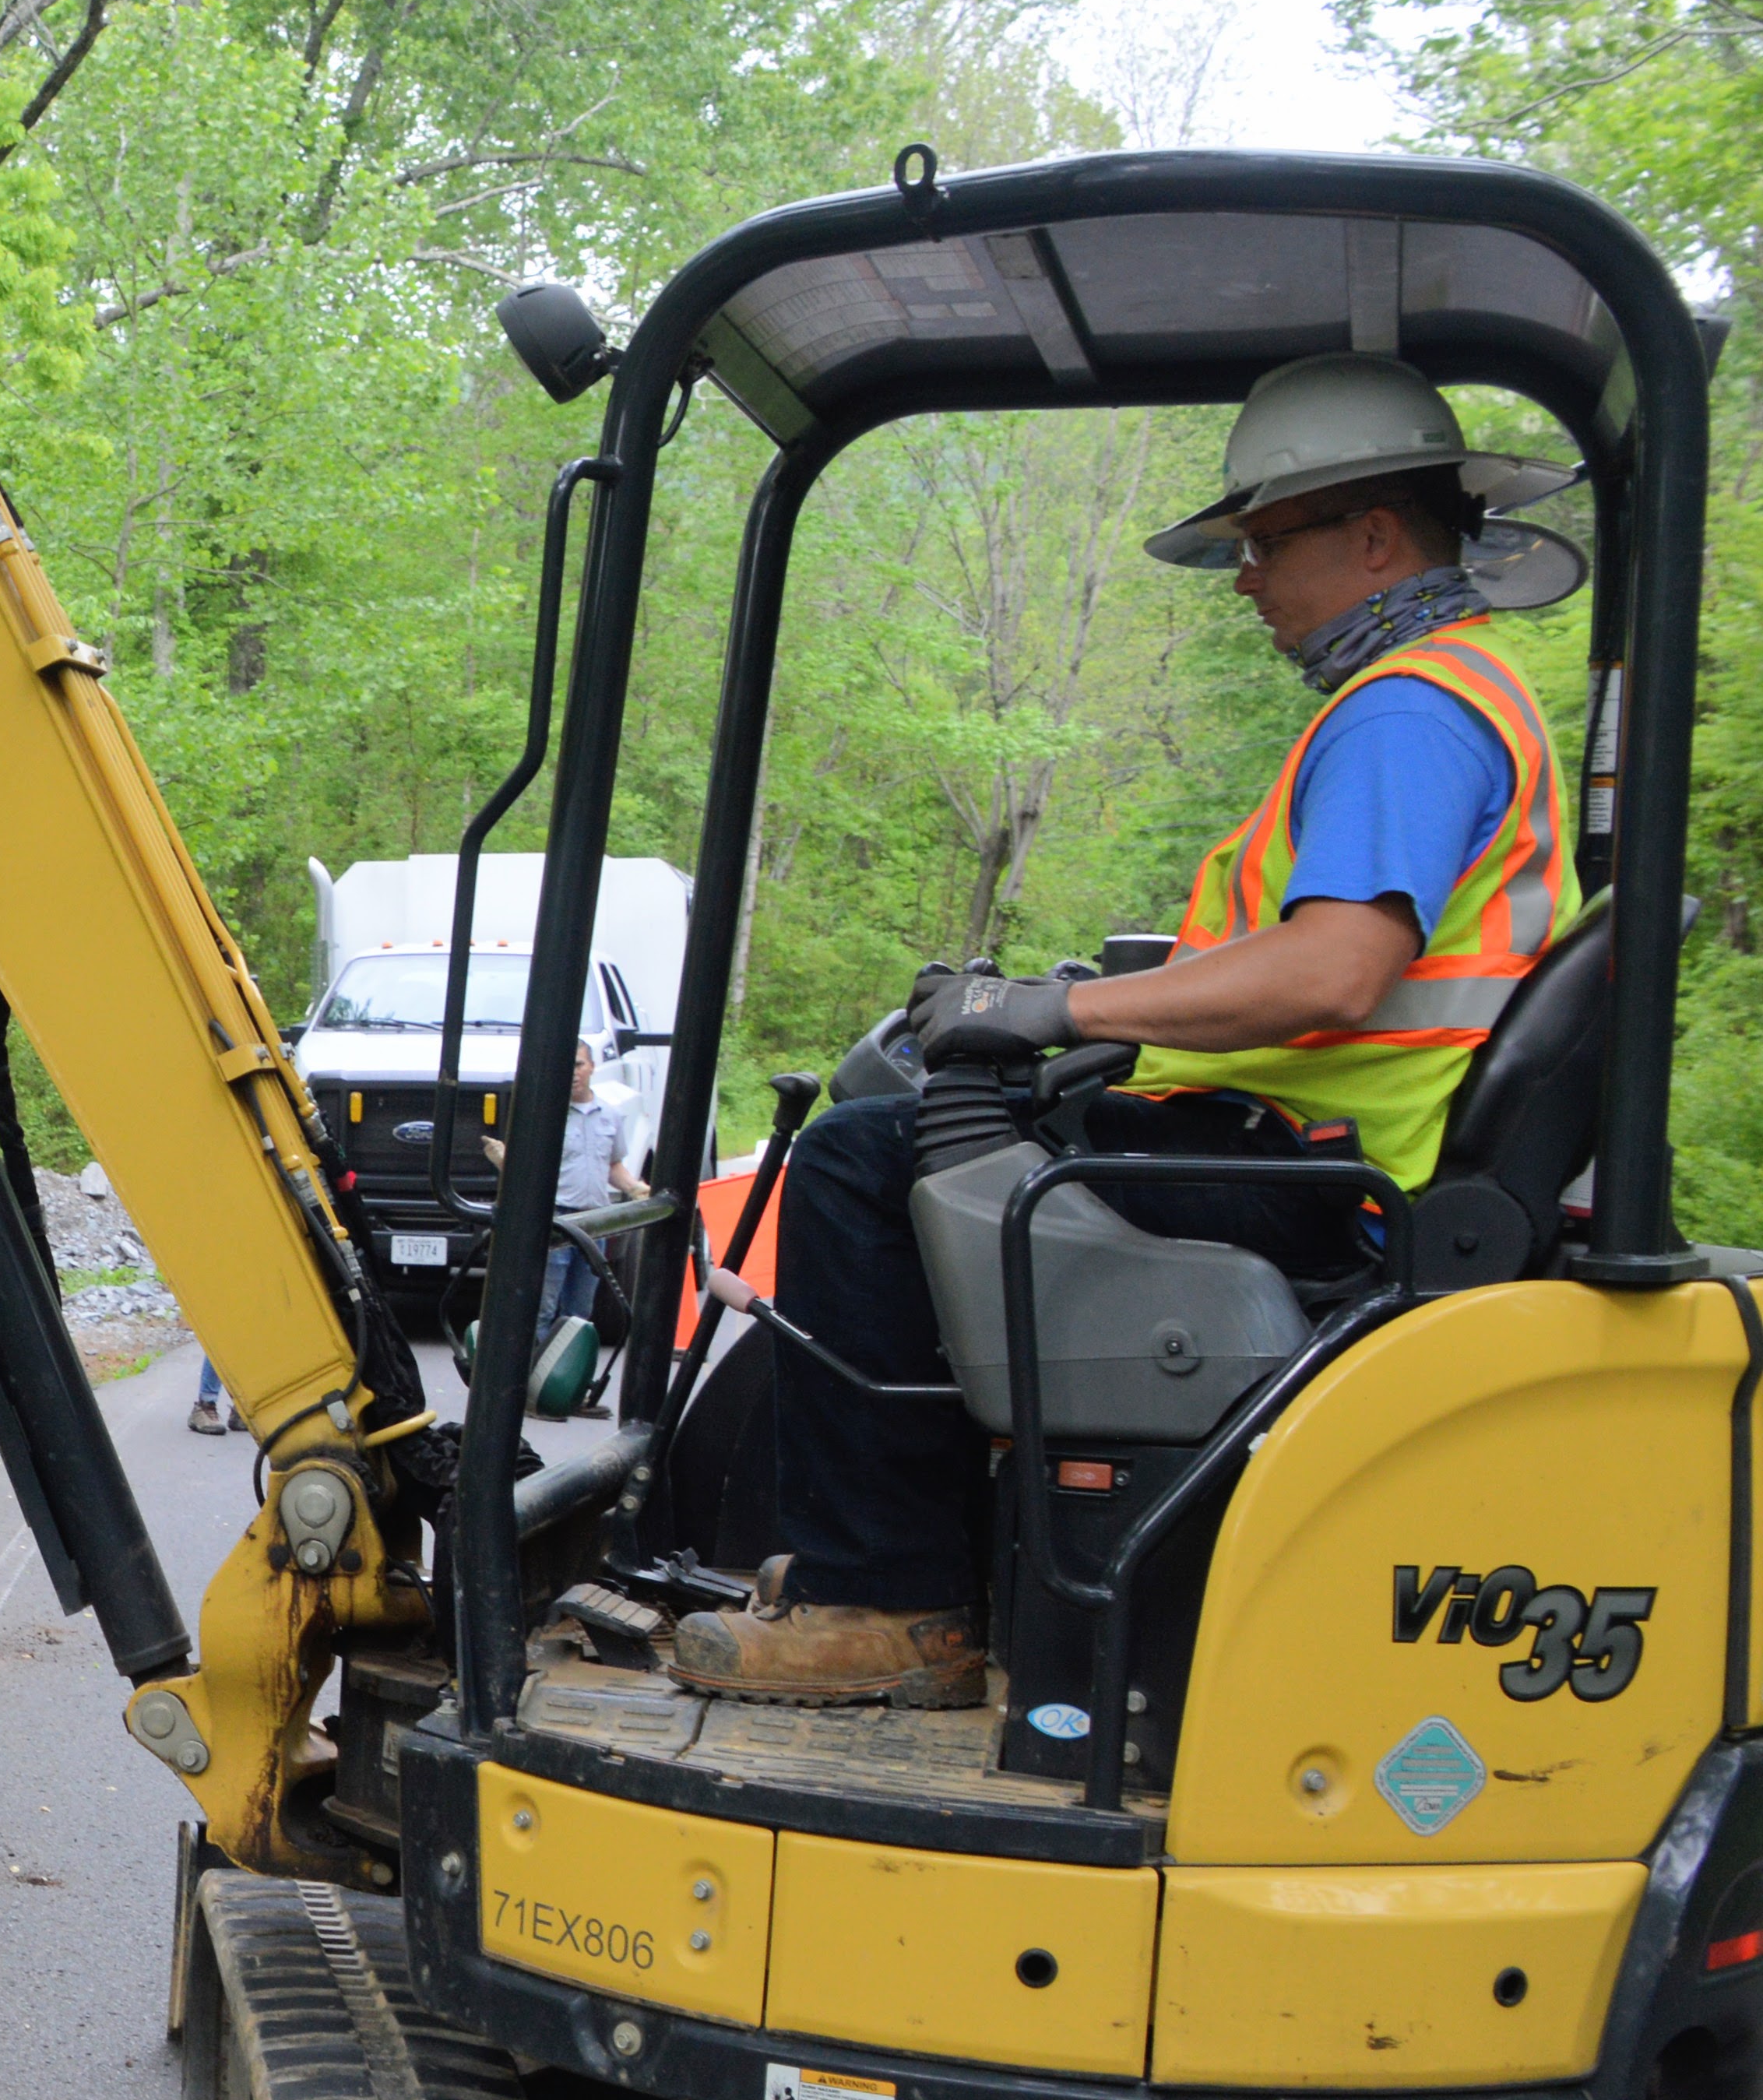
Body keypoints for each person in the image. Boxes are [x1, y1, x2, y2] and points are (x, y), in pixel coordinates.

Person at [674, 354, 1575, 1703]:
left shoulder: (1409, 714)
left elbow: (1334, 970)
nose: (1249, 582)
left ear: (1375, 536)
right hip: (1339, 1147)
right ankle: (917, 1562)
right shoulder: (1455, 693)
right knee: (929, 1143)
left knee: (866, 1159)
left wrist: (1050, 1011)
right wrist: (1098, 1018)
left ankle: (897, 1604)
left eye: (1267, 544)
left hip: (1328, 1167)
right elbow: (1299, 957)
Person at [487, 1039, 650, 1339]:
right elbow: (528, 1168)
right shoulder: (546, 1117)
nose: (573, 1073)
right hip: (554, 1222)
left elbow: (613, 1166)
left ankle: (569, 1381)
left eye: (578, 1064)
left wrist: (636, 1188)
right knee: (542, 1308)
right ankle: (533, 1376)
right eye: (567, 1066)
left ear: (592, 1067)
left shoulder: (610, 1116)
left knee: (580, 1312)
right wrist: (508, 1162)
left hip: (593, 1227)